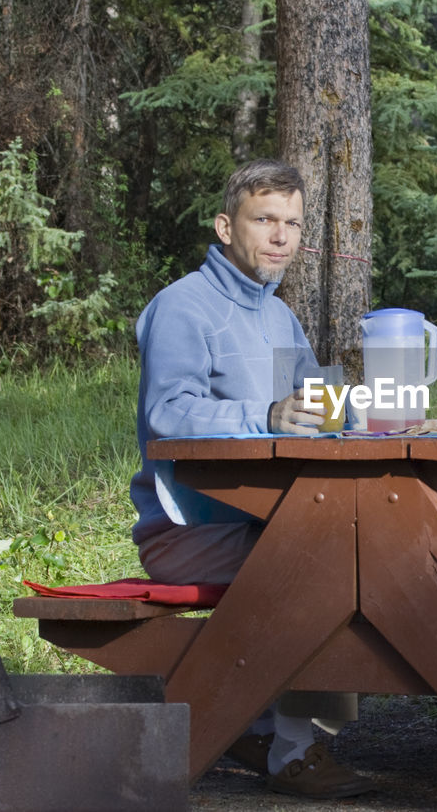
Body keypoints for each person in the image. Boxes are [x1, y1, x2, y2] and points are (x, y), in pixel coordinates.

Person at [129, 158, 374, 800]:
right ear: (224, 226)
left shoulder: (279, 316)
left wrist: (371, 409)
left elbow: (317, 410)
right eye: (264, 219)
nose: (280, 236)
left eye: (292, 223)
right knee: (327, 562)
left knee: (361, 546)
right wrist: (263, 415)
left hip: (271, 519)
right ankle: (295, 746)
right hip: (188, 530)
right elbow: (167, 415)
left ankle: (264, 724)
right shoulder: (182, 307)